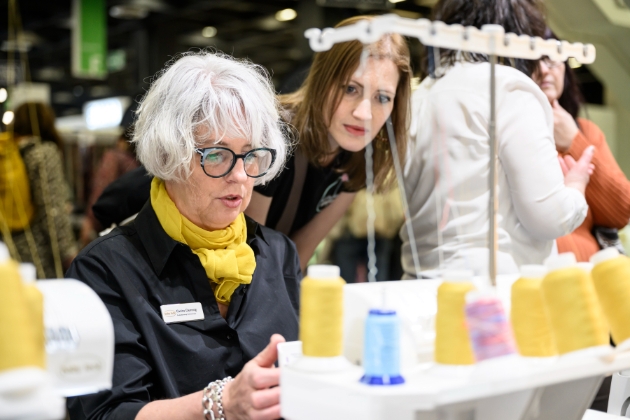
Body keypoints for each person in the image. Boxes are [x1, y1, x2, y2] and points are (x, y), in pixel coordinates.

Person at [66, 52, 299, 420]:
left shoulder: (277, 254)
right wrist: (218, 405)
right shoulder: (105, 272)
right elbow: (105, 414)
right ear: (168, 154)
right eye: (218, 155)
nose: (240, 176)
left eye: (251, 154)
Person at [401, 0, 594, 277]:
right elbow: (549, 217)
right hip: (495, 290)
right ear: (518, 24)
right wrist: (575, 187)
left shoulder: (420, 96)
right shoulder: (509, 87)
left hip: (418, 282)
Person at [245, 15, 412, 271]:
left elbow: (298, 256)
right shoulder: (273, 137)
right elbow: (244, 252)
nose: (364, 114)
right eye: (350, 89)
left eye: (382, 97)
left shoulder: (356, 155)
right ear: (323, 80)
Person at [532, 29, 630, 262]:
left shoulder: (586, 130)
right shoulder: (511, 132)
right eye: (531, 62)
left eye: (551, 58)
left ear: (565, 66)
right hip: (537, 272)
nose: (543, 69)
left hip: (591, 273)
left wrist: (574, 141)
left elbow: (621, 210)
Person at [1, 102, 77, 279]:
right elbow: (52, 213)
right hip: (37, 256)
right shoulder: (44, 152)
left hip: (6, 251)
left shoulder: (7, 152)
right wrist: (70, 255)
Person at [79, 104, 140, 246]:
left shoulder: (114, 157)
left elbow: (100, 188)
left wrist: (89, 221)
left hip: (113, 228)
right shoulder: (152, 165)